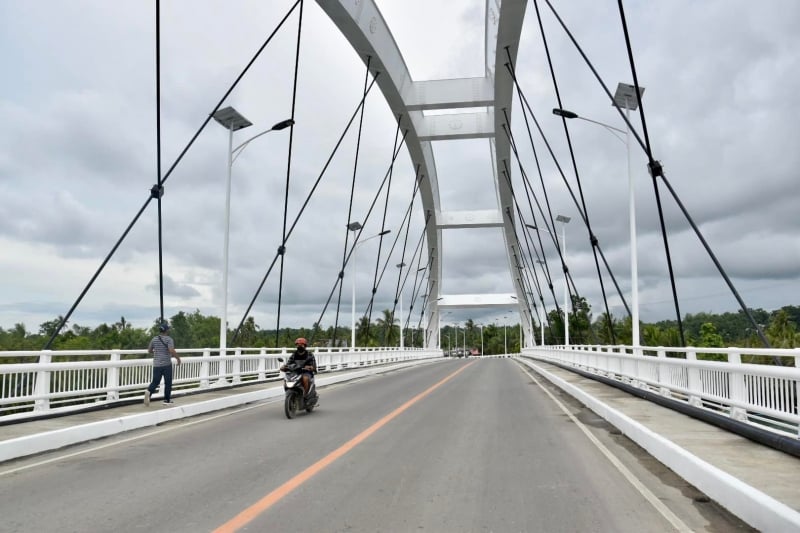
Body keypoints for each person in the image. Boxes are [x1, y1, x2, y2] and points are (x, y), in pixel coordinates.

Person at [144, 322, 181, 406]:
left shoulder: (154, 339)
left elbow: (149, 350)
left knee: (155, 381)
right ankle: (167, 400)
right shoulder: (169, 339)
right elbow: (171, 350)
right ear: (166, 330)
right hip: (166, 365)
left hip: (157, 364)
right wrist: (178, 359)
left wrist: (157, 353)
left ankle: (149, 392)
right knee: (168, 382)